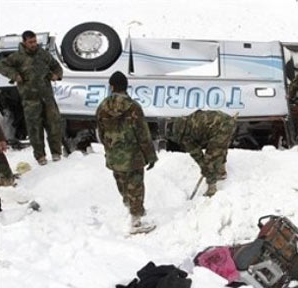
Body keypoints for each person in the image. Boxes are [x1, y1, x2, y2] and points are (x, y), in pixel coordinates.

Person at [96, 71, 158, 234]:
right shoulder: (133, 107)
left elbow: (101, 132)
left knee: (122, 183)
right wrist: (150, 155)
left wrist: (109, 149)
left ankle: (130, 206)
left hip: (114, 154)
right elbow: (143, 133)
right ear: (126, 87)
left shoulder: (102, 106)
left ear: (111, 87)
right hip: (133, 156)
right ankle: (136, 222)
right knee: (135, 186)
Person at [0, 30, 63, 165]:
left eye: (35, 41)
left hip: (47, 98)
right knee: (34, 129)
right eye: (30, 42)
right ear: (24, 42)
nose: (33, 44)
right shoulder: (17, 57)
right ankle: (40, 156)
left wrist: (56, 75)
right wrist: (14, 75)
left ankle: (56, 152)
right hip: (30, 100)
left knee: (54, 125)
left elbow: (56, 67)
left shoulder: (43, 54)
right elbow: (0, 66)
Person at [168, 110, 236, 197]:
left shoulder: (186, 136)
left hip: (223, 126)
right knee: (219, 149)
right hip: (227, 121)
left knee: (210, 157)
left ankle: (212, 189)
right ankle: (221, 172)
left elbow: (198, 156)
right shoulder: (189, 121)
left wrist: (204, 168)